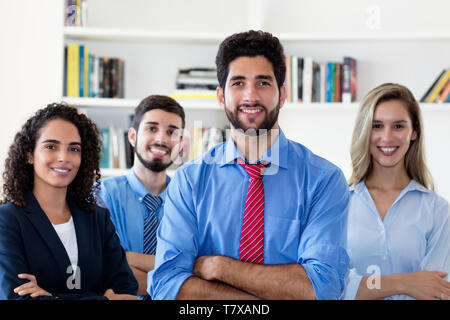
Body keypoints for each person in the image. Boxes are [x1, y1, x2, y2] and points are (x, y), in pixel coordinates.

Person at [149, 30, 350, 300]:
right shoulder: (189, 182)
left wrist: (219, 267)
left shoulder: (323, 181)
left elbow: (321, 290)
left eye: (263, 83)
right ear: (221, 97)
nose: (251, 96)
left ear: (283, 94)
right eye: (238, 83)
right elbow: (167, 287)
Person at [0, 103, 138, 300]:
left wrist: (51, 297)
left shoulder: (98, 219)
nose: (64, 157)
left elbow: (126, 290)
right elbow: (15, 297)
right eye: (51, 146)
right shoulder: (7, 220)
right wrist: (102, 299)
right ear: (29, 154)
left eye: (74, 149)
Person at [344, 83, 450, 300]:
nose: (387, 137)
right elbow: (335, 284)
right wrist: (404, 283)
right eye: (377, 126)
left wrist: (364, 286)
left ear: (414, 132)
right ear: (365, 131)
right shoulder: (340, 204)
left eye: (399, 126)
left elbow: (436, 289)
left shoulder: (438, 211)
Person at [97, 95, 185, 298]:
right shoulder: (103, 194)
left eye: (172, 132)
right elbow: (101, 267)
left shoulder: (187, 201)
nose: (162, 139)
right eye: (152, 128)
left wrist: (126, 257)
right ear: (133, 136)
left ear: (180, 144)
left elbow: (191, 267)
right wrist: (171, 274)